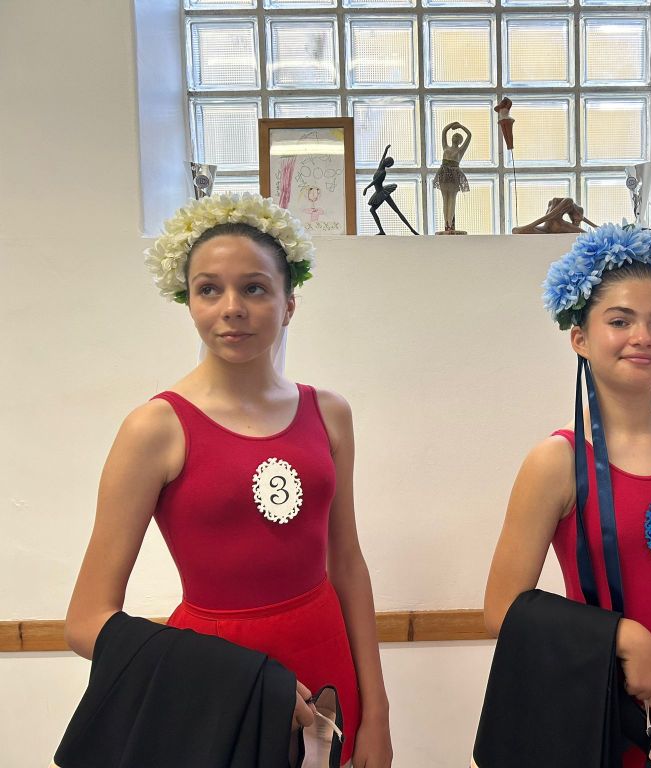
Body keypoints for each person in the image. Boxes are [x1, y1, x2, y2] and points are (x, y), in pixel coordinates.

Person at [63, 192, 392, 768]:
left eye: (255, 288)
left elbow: (347, 564)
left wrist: (379, 712)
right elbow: (86, 622)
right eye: (209, 289)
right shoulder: (154, 428)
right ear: (188, 301)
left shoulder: (330, 413)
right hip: (214, 685)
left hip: (328, 668)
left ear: (289, 304)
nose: (232, 307)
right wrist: (247, 679)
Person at [483, 224, 651, 767]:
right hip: (601, 701)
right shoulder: (556, 461)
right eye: (619, 321)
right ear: (579, 338)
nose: (642, 337)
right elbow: (500, 609)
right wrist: (623, 637)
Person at [432, 121, 472, 234]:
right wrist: (453, 124)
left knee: (452, 198)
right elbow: (444, 131)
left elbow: (469, 135)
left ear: (460, 141)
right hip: (444, 173)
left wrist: (461, 126)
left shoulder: (460, 150)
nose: (455, 137)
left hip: (454, 175)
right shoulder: (445, 147)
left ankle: (450, 223)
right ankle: (446, 223)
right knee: (445, 198)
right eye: (454, 136)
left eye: (457, 137)